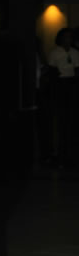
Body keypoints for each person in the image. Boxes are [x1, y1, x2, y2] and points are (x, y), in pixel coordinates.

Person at [47, 27, 79, 167]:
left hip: (72, 86)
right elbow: (51, 72)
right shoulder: (55, 53)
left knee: (72, 119)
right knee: (61, 120)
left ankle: (70, 153)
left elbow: (77, 70)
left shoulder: (75, 52)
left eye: (70, 37)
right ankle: (59, 152)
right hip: (60, 86)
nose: (68, 40)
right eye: (65, 37)